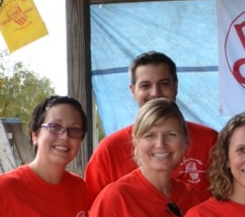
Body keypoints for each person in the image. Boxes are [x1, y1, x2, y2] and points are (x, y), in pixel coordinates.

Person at [85, 50, 217, 201]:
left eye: (164, 84)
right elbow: (92, 209)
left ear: (176, 86)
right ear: (133, 91)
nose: (155, 93)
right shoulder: (109, 149)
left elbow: (227, 199)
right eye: (146, 86)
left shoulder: (209, 140)